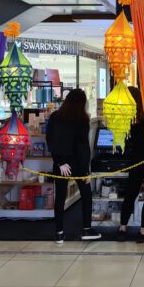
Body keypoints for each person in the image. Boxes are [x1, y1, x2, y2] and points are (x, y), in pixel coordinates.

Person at [46, 89, 101, 243]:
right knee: (86, 195)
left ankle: (59, 233)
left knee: (60, 197)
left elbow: (50, 140)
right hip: (77, 164)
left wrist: (59, 161)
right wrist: (86, 171)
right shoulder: (82, 119)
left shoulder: (55, 116)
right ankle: (86, 229)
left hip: (61, 164)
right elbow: (82, 147)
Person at [117, 87, 144, 243]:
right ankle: (143, 231)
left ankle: (122, 228)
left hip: (135, 160)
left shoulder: (127, 118)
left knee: (130, 194)